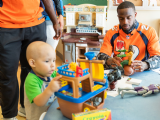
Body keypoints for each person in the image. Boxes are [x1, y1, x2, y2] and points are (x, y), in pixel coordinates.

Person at [0, 0, 61, 119]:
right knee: (7, 74)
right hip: (6, 25)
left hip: (35, 23)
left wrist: (55, 21)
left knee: (33, 71)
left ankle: (25, 107)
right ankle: (9, 115)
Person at [97, 1, 160, 74]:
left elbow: (158, 58)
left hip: (142, 73)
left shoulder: (149, 32)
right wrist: (108, 60)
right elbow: (101, 56)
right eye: (121, 18)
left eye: (129, 18)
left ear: (135, 15)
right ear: (118, 17)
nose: (125, 22)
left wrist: (145, 64)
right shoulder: (111, 33)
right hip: (119, 73)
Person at [24, 41, 62, 120]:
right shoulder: (31, 80)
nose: (52, 65)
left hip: (50, 114)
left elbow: (61, 76)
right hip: (37, 117)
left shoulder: (51, 73)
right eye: (47, 61)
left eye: (54, 60)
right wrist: (50, 89)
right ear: (33, 63)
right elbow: (39, 102)